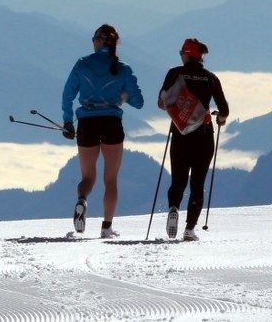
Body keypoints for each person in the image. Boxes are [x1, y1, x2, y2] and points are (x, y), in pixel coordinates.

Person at [62, 24, 144, 238]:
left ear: (97, 42)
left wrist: (67, 121)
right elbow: (139, 102)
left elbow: (67, 95)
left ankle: (82, 200)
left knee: (88, 177)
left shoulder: (82, 64)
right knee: (111, 180)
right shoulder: (123, 68)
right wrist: (121, 96)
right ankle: (106, 227)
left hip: (87, 123)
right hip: (111, 122)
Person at [157, 38, 229, 241]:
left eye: (182, 52)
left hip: (180, 135)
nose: (180, 54)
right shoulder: (211, 78)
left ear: (187, 54)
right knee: (198, 183)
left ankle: (173, 208)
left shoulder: (175, 73)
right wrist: (220, 119)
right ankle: (189, 229)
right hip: (204, 136)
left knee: (178, 180)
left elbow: (162, 104)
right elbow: (224, 110)